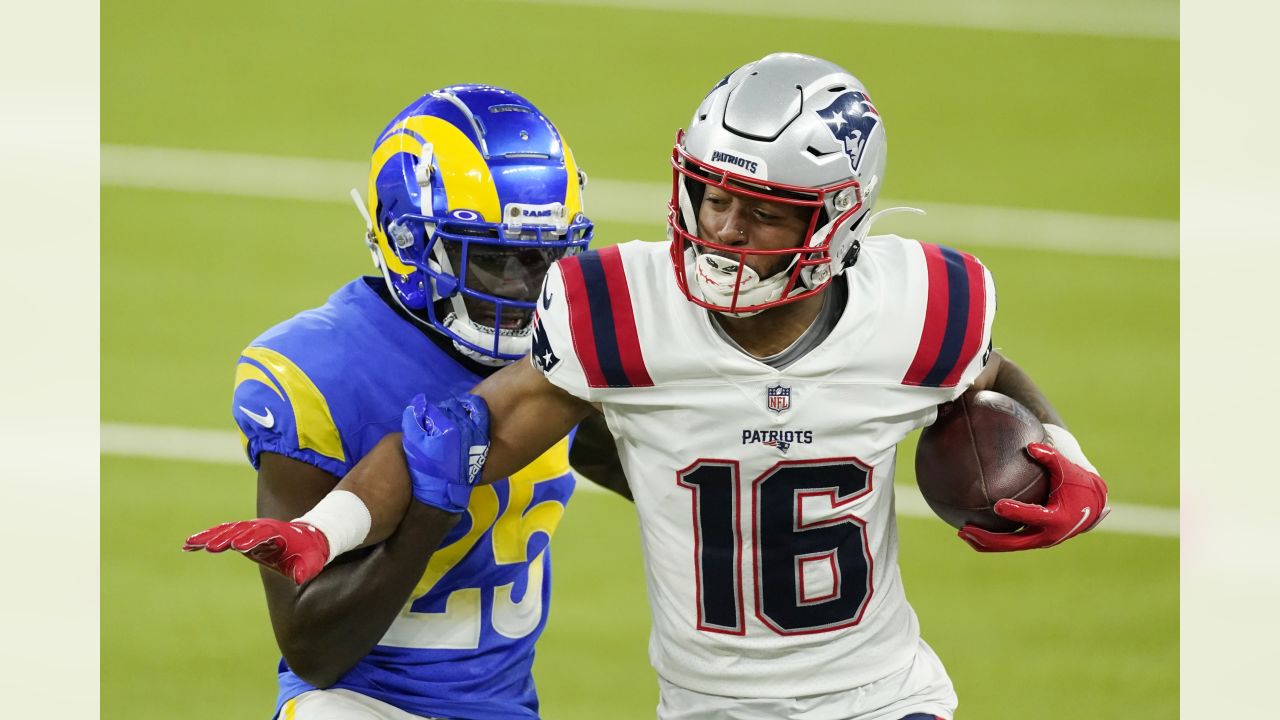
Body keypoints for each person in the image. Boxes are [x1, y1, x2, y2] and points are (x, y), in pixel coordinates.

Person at [194, 53, 1110, 720]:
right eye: (714, 197)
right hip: (667, 707)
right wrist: (324, 531)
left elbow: (984, 367)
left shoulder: (920, 301)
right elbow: (467, 429)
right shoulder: (623, 312)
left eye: (764, 213)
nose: (727, 229)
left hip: (880, 694)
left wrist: (1060, 453)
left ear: (837, 220)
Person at [183, 85, 630, 720]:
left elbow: (620, 458)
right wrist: (427, 510)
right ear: (412, 246)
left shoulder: (563, 341)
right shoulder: (321, 369)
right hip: (360, 702)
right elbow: (313, 649)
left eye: (545, 256)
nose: (528, 287)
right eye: (497, 261)